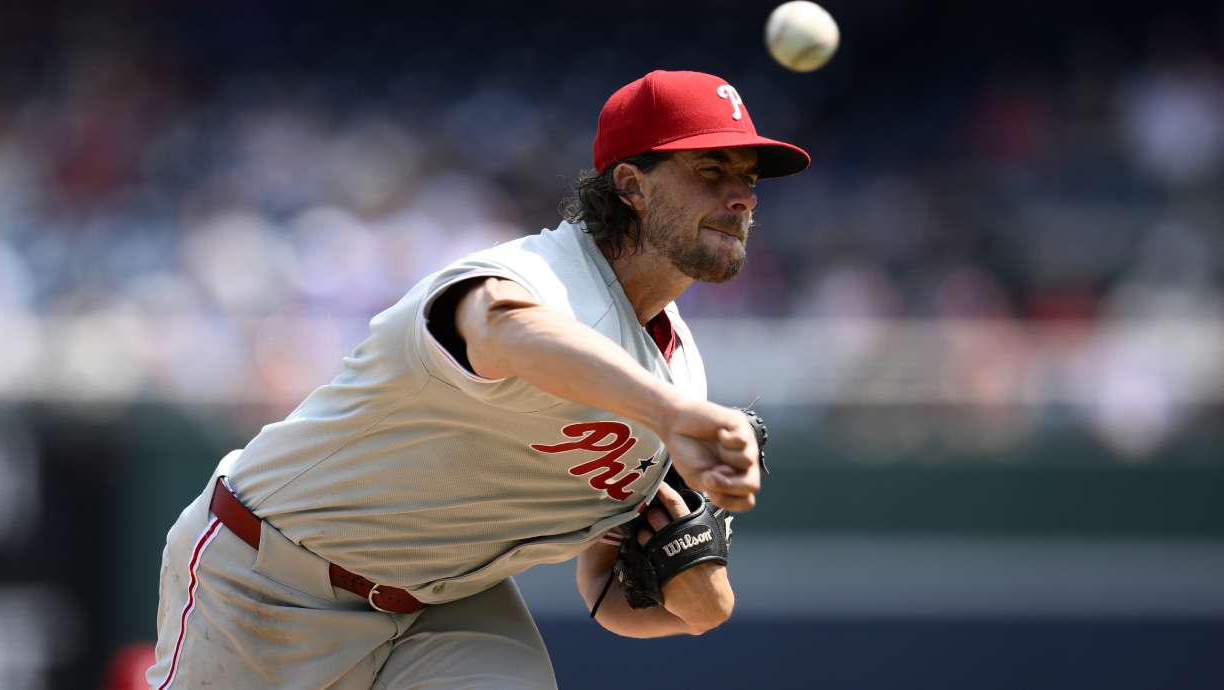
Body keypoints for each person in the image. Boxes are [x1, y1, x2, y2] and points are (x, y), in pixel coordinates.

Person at [148, 69, 810, 690]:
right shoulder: (539, 275)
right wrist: (667, 414)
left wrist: (701, 601)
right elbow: (497, 326)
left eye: (749, 177)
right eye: (711, 168)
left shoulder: (678, 371)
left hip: (447, 607)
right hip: (268, 575)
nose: (742, 195)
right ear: (632, 186)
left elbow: (607, 593)